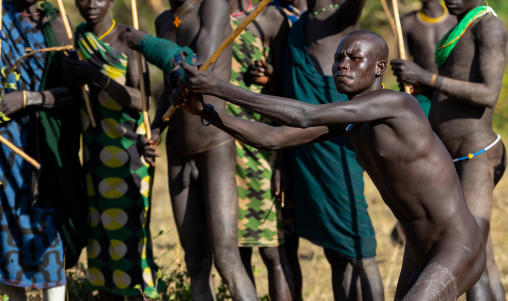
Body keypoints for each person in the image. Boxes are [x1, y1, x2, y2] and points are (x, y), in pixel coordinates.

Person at [172, 29, 487, 301]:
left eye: (354, 58)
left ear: (379, 68)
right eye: (338, 59)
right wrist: (209, 113)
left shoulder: (396, 104)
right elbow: (272, 138)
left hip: (456, 245)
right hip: (418, 251)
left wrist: (216, 86)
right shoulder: (351, 122)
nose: (343, 65)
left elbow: (304, 115)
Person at [128, 0, 258, 299]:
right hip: (178, 151)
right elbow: (168, 92)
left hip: (214, 145)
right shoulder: (160, 23)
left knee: (227, 258)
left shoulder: (212, 7)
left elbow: (199, 69)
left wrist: (147, 44)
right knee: (196, 262)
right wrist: (155, 129)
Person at [391, 0, 507, 301]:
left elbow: (488, 93)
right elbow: (454, 87)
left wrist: (427, 77)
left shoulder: (489, 28)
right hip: (452, 155)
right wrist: (423, 87)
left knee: (468, 248)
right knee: (481, 254)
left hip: (478, 154)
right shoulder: (458, 30)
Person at [280, 0, 383, 301]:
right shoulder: (297, 26)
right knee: (334, 253)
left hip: (337, 140)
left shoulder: (341, 15)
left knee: (360, 248)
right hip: (305, 146)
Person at [65, 0, 158, 300]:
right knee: (101, 233)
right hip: (93, 150)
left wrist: (99, 78)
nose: (90, 5)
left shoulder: (127, 40)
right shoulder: (76, 37)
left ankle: (137, 294)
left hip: (127, 149)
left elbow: (142, 99)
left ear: (111, 2)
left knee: (129, 234)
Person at [0, 0, 86, 301]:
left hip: (45, 143)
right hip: (6, 147)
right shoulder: (0, 19)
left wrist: (27, 99)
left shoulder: (56, 25)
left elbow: (71, 91)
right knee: (6, 226)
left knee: (46, 221)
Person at [212, 0, 293, 300]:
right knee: (233, 246)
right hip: (218, 142)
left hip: (260, 145)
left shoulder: (269, 19)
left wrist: (271, 77)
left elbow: (287, 89)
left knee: (271, 248)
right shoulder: (205, 15)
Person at [390, 0, 457, 246]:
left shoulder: (454, 21)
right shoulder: (406, 22)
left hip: (449, 97)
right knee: (417, 159)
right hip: (420, 100)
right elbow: (400, 63)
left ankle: (449, 215)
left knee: (450, 158)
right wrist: (403, 78)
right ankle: (411, 217)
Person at [399, 0, 456, 117]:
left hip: (452, 91)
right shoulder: (407, 22)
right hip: (421, 94)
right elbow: (403, 62)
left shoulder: (455, 20)